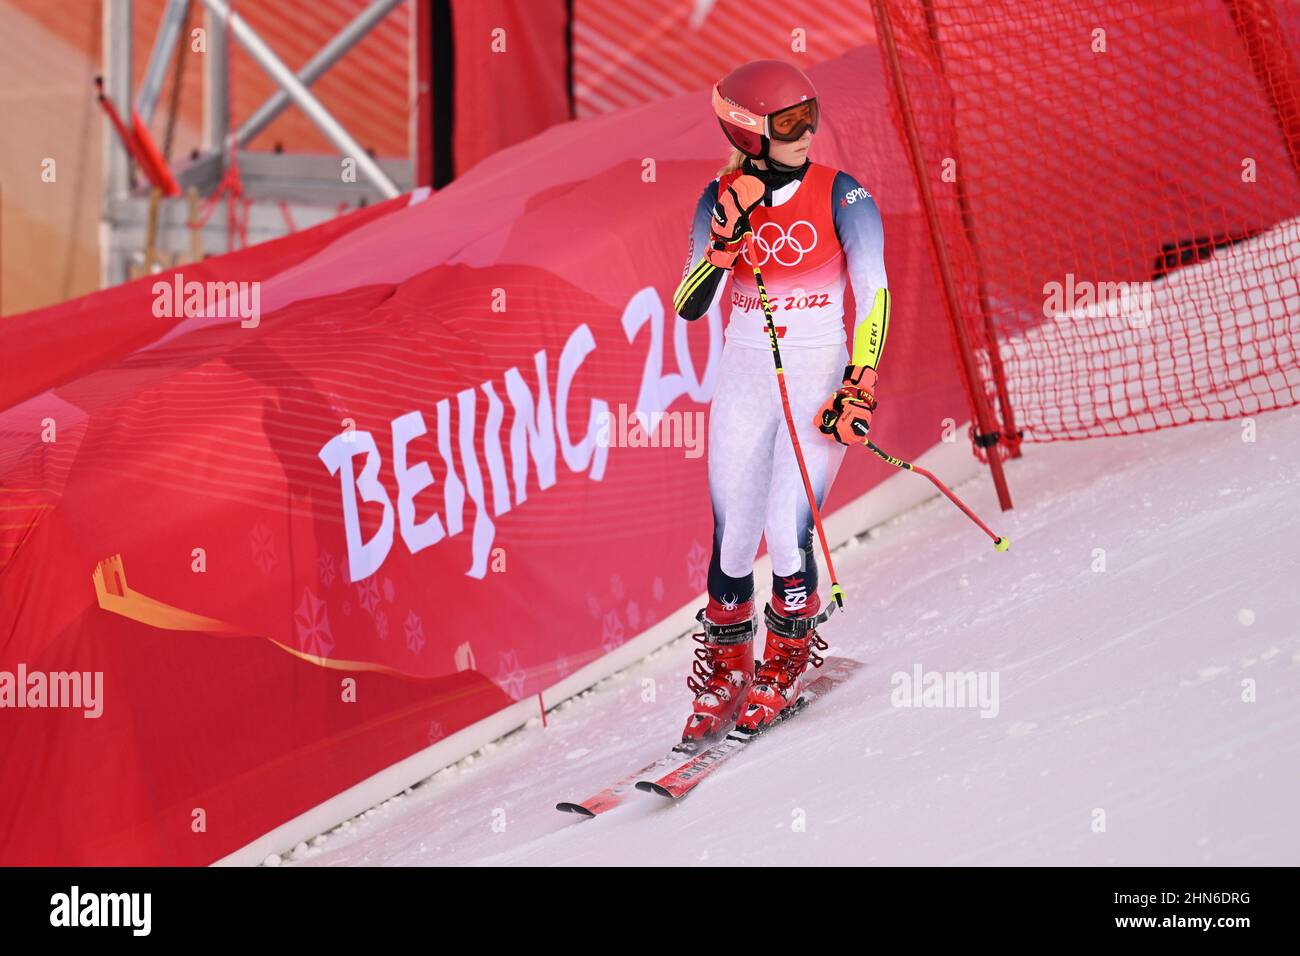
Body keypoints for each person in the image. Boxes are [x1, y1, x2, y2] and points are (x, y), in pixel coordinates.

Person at [673, 59, 890, 741]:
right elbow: (687, 304)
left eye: (810, 116)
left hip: (817, 367)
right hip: (744, 371)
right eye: (790, 123)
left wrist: (860, 379)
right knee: (733, 534)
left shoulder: (843, 194)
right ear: (747, 131)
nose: (807, 133)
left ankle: (788, 655)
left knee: (783, 523)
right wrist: (721, 247)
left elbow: (874, 290)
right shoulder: (718, 196)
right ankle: (729, 668)